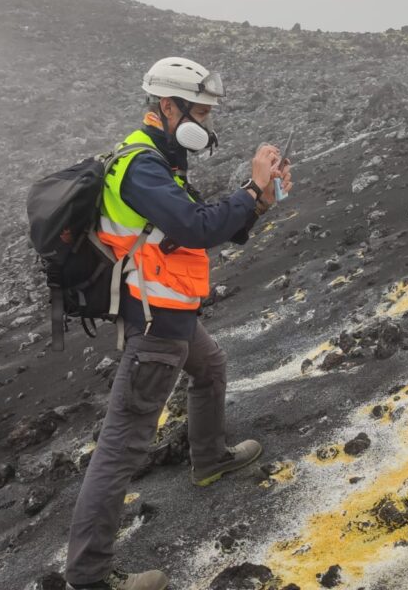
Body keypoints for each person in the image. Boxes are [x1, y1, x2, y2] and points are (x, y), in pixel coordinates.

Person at [65, 57, 292, 590]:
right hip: (155, 321)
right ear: (168, 107)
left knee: (210, 368)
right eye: (202, 112)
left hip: (174, 312)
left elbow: (199, 226)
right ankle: (89, 577)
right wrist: (251, 190)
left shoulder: (162, 160)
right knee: (123, 443)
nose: (208, 125)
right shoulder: (140, 165)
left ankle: (209, 460)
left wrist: (259, 199)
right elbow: (193, 227)